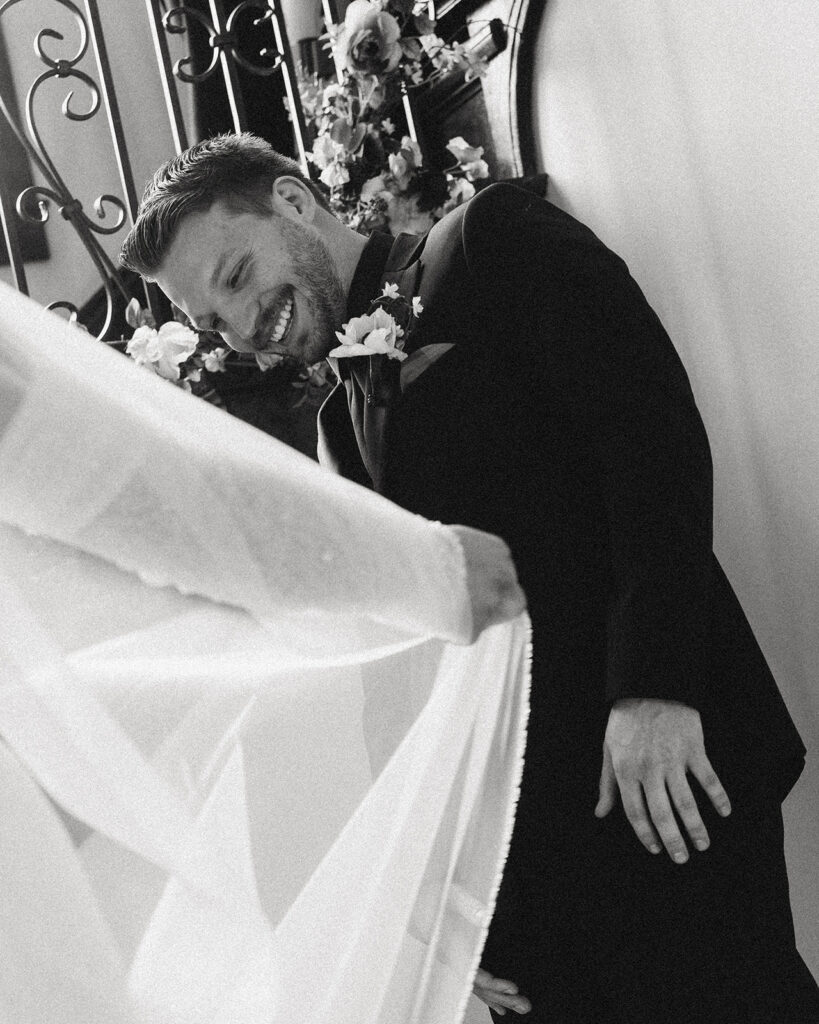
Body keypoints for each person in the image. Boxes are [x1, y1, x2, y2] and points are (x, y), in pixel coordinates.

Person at [120, 133, 819, 1023]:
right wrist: (454, 891)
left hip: (651, 768)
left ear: (293, 202)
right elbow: (405, 663)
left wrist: (654, 690)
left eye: (233, 277)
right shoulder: (337, 424)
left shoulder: (492, 241)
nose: (242, 327)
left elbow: (649, 441)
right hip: (519, 869)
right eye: (213, 324)